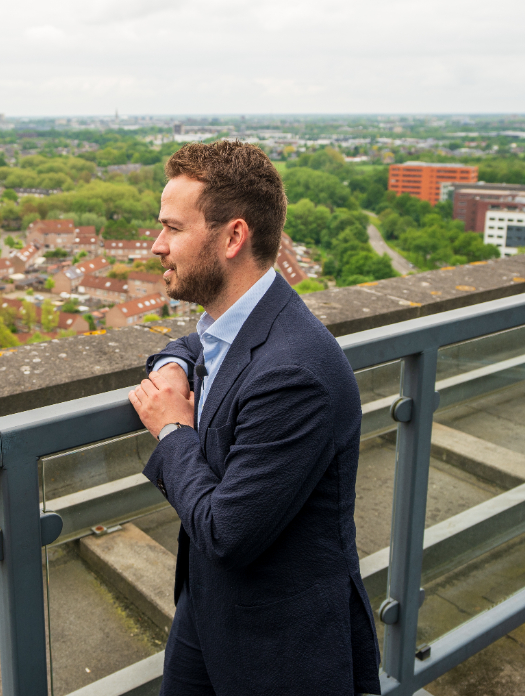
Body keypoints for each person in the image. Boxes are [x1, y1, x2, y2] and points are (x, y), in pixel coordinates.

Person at [128, 140, 380, 695]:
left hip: (278, 652)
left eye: (173, 228)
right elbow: (203, 344)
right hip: (208, 613)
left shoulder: (295, 374)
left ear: (233, 237)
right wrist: (173, 362)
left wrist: (172, 430)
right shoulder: (248, 321)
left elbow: (227, 532)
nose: (156, 245)